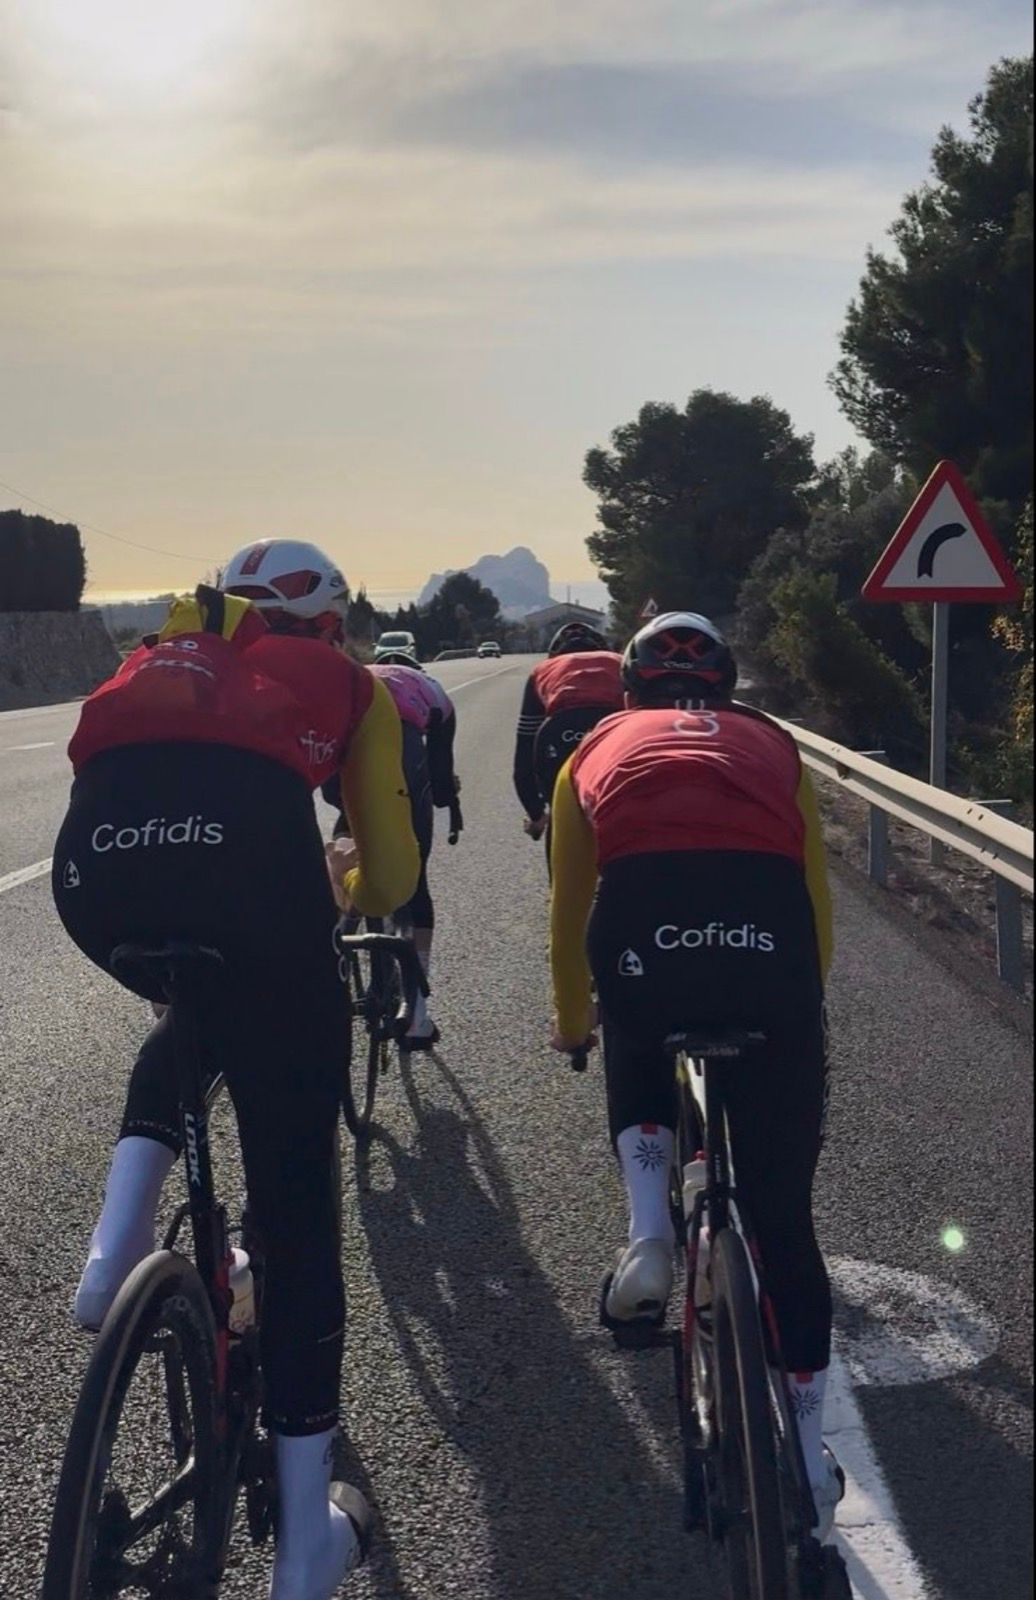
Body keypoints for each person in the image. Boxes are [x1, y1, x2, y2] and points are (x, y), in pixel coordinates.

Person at [52, 540, 420, 1600]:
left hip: (94, 880)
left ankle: (112, 1252)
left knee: (198, 1010)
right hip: (256, 879)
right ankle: (304, 1549)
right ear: (332, 624)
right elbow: (392, 874)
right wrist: (340, 885)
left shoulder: (161, 651)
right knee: (297, 1215)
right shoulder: (348, 680)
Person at [547, 611, 843, 1541]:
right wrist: (796, 1009)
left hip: (644, 937)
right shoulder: (771, 744)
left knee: (632, 1020)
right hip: (769, 952)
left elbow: (569, 906)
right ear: (729, 688)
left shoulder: (595, 744)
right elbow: (815, 902)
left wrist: (573, 1022)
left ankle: (648, 1234)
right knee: (784, 1221)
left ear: (630, 688)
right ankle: (807, 1456)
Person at [322, 650, 461, 1047]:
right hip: (404, 756)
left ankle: (330, 951)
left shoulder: (355, 676)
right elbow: (440, 782)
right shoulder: (432, 691)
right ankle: (417, 1016)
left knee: (348, 841)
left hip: (344, 754)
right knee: (415, 885)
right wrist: (447, 792)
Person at [512, 620, 622, 843]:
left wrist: (536, 813)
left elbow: (525, 752)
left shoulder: (542, 670)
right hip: (614, 725)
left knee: (559, 810)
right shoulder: (620, 661)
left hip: (560, 729)